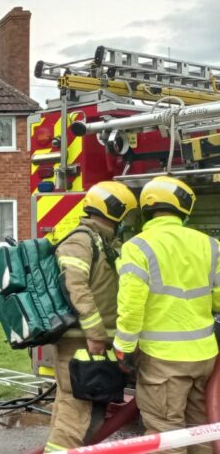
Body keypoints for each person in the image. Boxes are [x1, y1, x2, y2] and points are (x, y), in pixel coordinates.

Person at [113, 176, 220, 454]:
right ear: (183, 209)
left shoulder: (137, 247)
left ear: (148, 209)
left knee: (165, 431)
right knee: (201, 428)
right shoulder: (210, 245)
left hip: (163, 360)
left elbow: (131, 305)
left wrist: (124, 347)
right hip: (204, 356)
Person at [43, 181, 137, 453]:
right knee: (77, 418)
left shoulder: (100, 241)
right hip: (80, 343)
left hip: (85, 341)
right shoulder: (81, 240)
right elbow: (76, 287)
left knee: (69, 410)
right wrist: (96, 333)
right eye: (125, 214)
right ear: (114, 211)